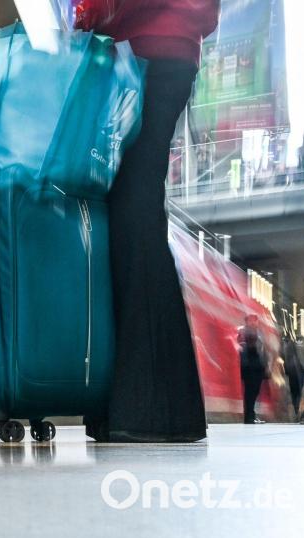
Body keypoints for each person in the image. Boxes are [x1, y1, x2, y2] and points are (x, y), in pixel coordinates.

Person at [77, 0, 220, 443]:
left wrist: (84, 16)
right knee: (136, 211)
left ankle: (148, 407)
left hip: (140, 55)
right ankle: (154, 406)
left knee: (129, 215)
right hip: (171, 53)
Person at [237, 315, 267, 424]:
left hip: (258, 366)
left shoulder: (259, 333)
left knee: (255, 391)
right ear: (247, 322)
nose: (254, 323)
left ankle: (251, 414)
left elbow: (262, 350)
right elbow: (243, 347)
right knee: (250, 391)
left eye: (256, 321)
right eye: (252, 321)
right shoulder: (243, 332)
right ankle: (249, 417)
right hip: (249, 366)